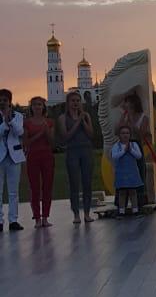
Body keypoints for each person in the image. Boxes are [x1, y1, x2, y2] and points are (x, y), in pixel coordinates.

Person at [60, 89, 95, 224]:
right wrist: (77, 122)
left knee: (87, 183)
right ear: (68, 103)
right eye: (73, 101)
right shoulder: (63, 118)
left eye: (78, 101)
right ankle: (76, 214)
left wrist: (83, 120)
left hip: (86, 151)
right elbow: (66, 136)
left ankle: (86, 213)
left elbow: (91, 134)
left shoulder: (86, 116)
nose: (75, 103)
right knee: (74, 184)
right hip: (72, 151)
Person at [23, 96, 55, 228]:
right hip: (33, 156)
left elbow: (52, 142)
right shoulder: (27, 123)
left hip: (47, 156)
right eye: (35, 104)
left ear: (43, 107)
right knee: (34, 188)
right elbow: (26, 143)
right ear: (31, 107)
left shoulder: (49, 122)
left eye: (40, 104)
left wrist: (46, 131)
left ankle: (45, 217)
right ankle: (37, 218)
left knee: (47, 187)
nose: (37, 107)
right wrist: (40, 133)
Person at [0, 89, 26, 233]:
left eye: (5, 100)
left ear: (10, 101)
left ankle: (13, 220)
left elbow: (19, 132)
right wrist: (4, 123)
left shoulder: (18, 116)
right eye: (0, 100)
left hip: (14, 156)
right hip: (0, 156)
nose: (2, 102)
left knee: (13, 191)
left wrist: (10, 120)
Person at [110, 125, 143, 215]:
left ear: (130, 135)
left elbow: (139, 156)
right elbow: (114, 156)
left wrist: (131, 150)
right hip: (121, 172)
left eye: (127, 133)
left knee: (133, 191)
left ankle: (135, 210)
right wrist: (124, 151)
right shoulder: (116, 146)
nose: (125, 135)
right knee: (122, 192)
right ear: (119, 135)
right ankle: (121, 211)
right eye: (123, 133)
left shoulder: (134, 145)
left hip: (132, 171)